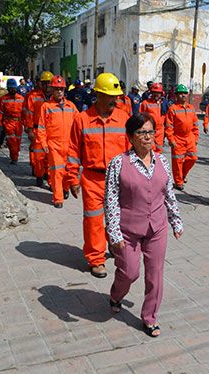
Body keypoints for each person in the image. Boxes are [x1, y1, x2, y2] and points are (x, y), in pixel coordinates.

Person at [105, 113, 183, 338]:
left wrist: (175, 220)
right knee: (129, 272)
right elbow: (110, 198)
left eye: (150, 131)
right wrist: (114, 231)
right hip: (127, 230)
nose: (147, 137)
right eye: (141, 132)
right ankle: (116, 295)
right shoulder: (119, 163)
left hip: (156, 227)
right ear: (131, 136)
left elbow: (168, 193)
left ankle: (149, 317)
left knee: (155, 274)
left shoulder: (162, 161)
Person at [66, 73, 131, 278]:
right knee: (93, 219)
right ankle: (96, 259)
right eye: (111, 96)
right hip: (92, 178)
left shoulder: (124, 118)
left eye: (117, 96)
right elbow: (74, 151)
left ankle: (112, 242)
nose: (115, 100)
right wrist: (72, 178)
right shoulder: (82, 120)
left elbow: (131, 151)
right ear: (98, 95)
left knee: (118, 218)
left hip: (118, 179)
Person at [36, 75, 78, 208]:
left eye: (61, 89)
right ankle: (57, 198)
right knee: (56, 172)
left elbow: (79, 123)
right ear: (52, 90)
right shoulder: (46, 106)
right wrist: (43, 143)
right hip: (54, 145)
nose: (59, 91)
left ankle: (65, 188)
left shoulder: (71, 106)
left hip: (70, 144)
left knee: (67, 171)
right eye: (56, 89)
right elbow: (41, 127)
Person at [165, 84, 199, 191]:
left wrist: (196, 138)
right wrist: (171, 139)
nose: (183, 95)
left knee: (193, 158)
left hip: (190, 138)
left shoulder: (191, 108)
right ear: (176, 95)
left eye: (184, 93)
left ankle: (183, 175)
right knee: (177, 162)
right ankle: (178, 182)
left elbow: (195, 125)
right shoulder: (172, 109)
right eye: (180, 93)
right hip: (178, 139)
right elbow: (169, 126)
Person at [23, 71, 53, 187]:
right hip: (37, 130)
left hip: (51, 131)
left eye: (49, 83)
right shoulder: (33, 96)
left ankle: (51, 181)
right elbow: (29, 114)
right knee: (39, 156)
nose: (46, 86)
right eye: (44, 83)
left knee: (51, 157)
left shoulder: (55, 97)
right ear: (40, 83)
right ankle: (39, 177)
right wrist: (30, 130)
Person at [0, 79, 24, 164]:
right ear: (8, 88)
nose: (13, 90)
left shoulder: (21, 98)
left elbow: (25, 112)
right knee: (12, 141)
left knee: (18, 141)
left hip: (18, 123)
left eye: (14, 88)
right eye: (11, 88)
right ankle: (14, 158)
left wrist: (26, 124)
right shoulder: (3, 99)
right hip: (8, 123)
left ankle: (15, 155)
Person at [139, 83, 166, 153]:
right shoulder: (145, 103)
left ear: (161, 93)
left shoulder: (163, 104)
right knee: (149, 149)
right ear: (151, 92)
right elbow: (140, 117)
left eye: (158, 93)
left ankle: (157, 163)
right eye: (155, 92)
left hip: (160, 131)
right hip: (149, 130)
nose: (156, 94)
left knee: (159, 150)